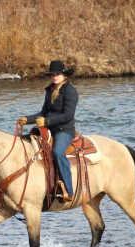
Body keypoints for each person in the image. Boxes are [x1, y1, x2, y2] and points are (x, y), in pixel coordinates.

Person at [19, 60, 78, 202]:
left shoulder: (70, 91)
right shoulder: (50, 90)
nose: (55, 77)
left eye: (57, 74)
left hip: (64, 130)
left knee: (58, 151)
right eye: (52, 75)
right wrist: (28, 119)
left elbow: (68, 115)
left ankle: (69, 191)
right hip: (49, 129)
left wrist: (46, 122)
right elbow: (43, 112)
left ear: (64, 75)